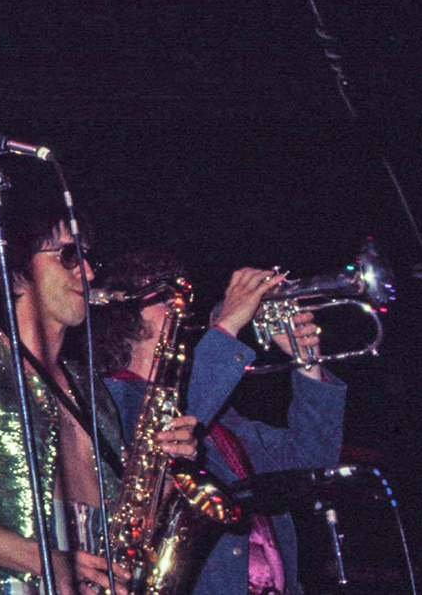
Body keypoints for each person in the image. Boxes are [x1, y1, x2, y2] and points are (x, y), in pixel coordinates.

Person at [0, 214, 200, 595]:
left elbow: (127, 523)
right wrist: (46, 561)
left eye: (85, 257)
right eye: (67, 255)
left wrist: (163, 474)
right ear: (16, 267)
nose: (88, 273)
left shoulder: (92, 390)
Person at [93, 252, 345, 595]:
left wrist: (306, 361)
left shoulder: (223, 418)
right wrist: (227, 327)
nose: (180, 306)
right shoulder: (107, 399)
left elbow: (314, 456)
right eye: (165, 296)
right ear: (121, 310)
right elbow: (161, 435)